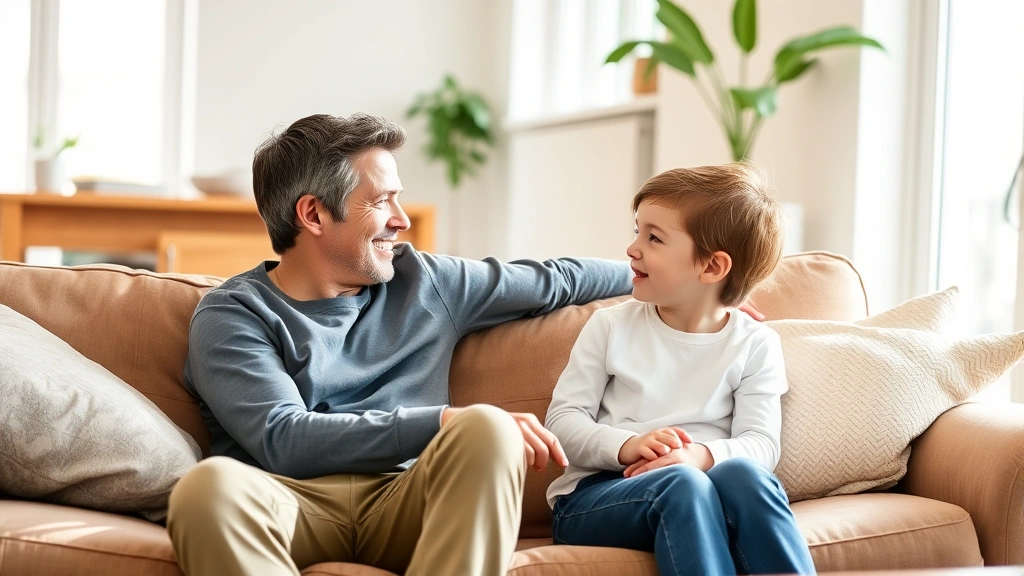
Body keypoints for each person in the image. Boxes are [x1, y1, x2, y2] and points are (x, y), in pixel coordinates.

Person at [165, 113, 636, 576]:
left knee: (487, 429)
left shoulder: (427, 282)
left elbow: (557, 280)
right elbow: (283, 438)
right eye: (381, 201)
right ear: (313, 214)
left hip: (409, 499)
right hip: (288, 502)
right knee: (206, 487)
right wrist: (441, 421)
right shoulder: (234, 313)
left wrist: (673, 272)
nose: (402, 220)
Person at [545, 163, 816, 575]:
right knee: (684, 486)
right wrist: (627, 445)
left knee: (747, 476)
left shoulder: (756, 343)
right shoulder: (610, 326)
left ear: (711, 268)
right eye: (637, 230)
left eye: (653, 237)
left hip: (704, 484)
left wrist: (700, 455)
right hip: (597, 496)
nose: (632, 248)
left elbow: (762, 444)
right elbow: (562, 422)